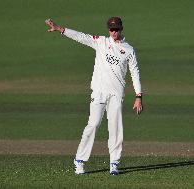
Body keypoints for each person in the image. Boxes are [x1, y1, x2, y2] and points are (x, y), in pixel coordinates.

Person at [45, 17, 143, 175]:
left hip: (117, 94)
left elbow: (135, 73)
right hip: (99, 92)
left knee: (116, 128)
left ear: (121, 28)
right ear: (108, 29)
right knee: (93, 125)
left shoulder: (129, 50)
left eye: (116, 29)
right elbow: (82, 37)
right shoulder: (101, 42)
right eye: (112, 29)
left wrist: (139, 96)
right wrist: (60, 29)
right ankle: (79, 160)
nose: (114, 32)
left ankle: (114, 163)